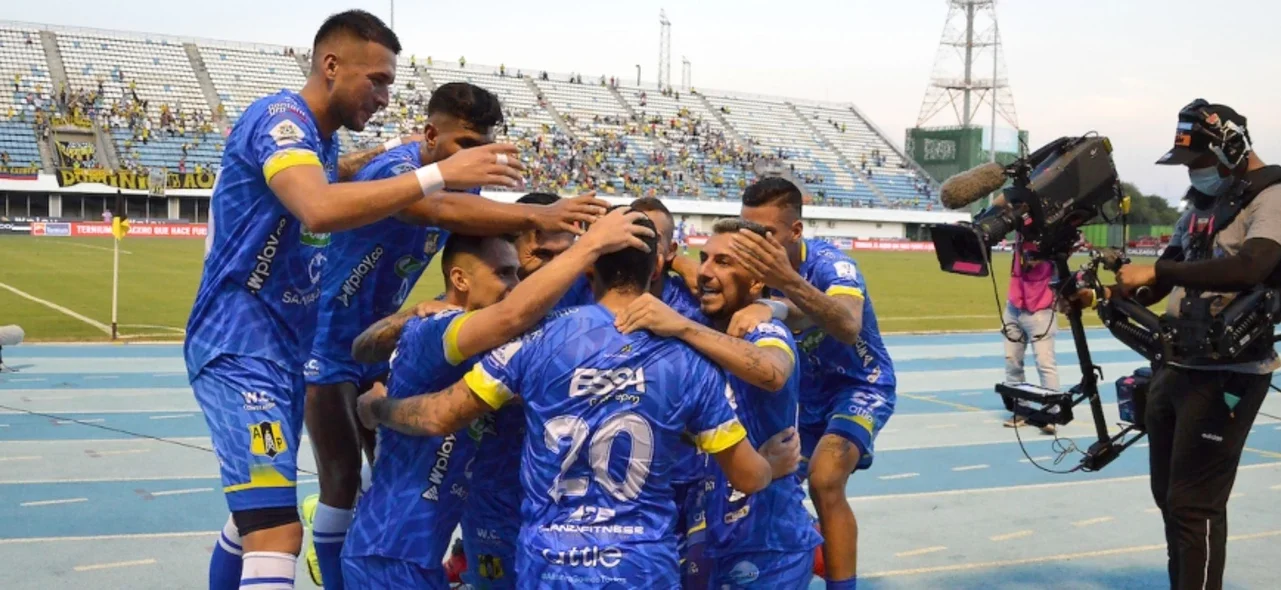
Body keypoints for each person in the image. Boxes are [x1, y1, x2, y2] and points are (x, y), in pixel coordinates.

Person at [184, 10, 522, 590]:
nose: (386, 97)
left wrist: (360, 160)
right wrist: (445, 178)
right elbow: (318, 206)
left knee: (253, 522)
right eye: (378, 80)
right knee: (276, 532)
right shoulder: (281, 118)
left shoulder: (321, 138)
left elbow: (322, 178)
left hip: (283, 347)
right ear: (331, 65)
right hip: (242, 342)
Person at [357, 210, 801, 588]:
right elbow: (747, 475)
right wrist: (771, 466)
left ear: (588, 269)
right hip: (641, 565)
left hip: (550, 563)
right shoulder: (687, 360)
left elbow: (440, 414)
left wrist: (378, 409)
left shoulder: (534, 341)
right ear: (654, 273)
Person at [299, 81, 605, 589]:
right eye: (463, 145)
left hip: (384, 338)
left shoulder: (466, 190)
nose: (472, 159)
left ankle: (398, 556)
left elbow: (476, 242)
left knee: (404, 469)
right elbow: (436, 211)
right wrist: (538, 213)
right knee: (342, 479)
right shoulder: (401, 173)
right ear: (430, 135)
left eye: (480, 146)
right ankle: (336, 557)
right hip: (326, 339)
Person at [341, 209, 653, 589]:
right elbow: (509, 316)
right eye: (504, 273)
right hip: (391, 547)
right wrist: (592, 243)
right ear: (460, 278)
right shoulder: (439, 327)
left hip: (416, 549)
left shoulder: (477, 337)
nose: (514, 283)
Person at [1080, 99, 1281, 590]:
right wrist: (1104, 293)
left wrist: (1161, 269)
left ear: (1232, 148)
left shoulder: (1272, 196)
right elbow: (1159, 284)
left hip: (1230, 373)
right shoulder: (1199, 206)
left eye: (1199, 162)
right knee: (1169, 497)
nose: (1193, 174)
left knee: (1196, 504)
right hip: (1177, 363)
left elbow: (1252, 266)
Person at [614, 217, 823, 588]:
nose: (705, 272)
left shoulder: (765, 330)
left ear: (757, 282)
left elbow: (773, 372)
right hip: (711, 533)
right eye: (704, 258)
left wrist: (683, 326)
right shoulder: (707, 327)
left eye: (723, 262)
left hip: (767, 544)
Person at [732, 177, 896, 590]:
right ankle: (813, 550)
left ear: (796, 230)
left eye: (767, 232)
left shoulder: (831, 265)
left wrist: (784, 284)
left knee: (825, 479)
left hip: (859, 386)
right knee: (764, 482)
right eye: (748, 230)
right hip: (804, 400)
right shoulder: (750, 268)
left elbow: (846, 324)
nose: (756, 241)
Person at [1001, 238, 1059, 434]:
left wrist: (1042, 259)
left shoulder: (1053, 239)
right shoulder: (1020, 233)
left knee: (1044, 363)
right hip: (1014, 307)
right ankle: (1021, 410)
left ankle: (1052, 414)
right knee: (1012, 361)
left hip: (1040, 312)